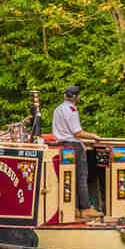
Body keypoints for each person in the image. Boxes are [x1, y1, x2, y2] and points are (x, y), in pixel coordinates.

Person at [51, 84, 102, 219]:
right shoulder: (72, 110)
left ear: (64, 96)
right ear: (77, 97)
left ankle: (73, 208)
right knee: (81, 177)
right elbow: (77, 132)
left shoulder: (57, 109)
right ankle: (85, 208)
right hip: (74, 146)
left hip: (62, 146)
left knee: (69, 177)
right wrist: (93, 136)